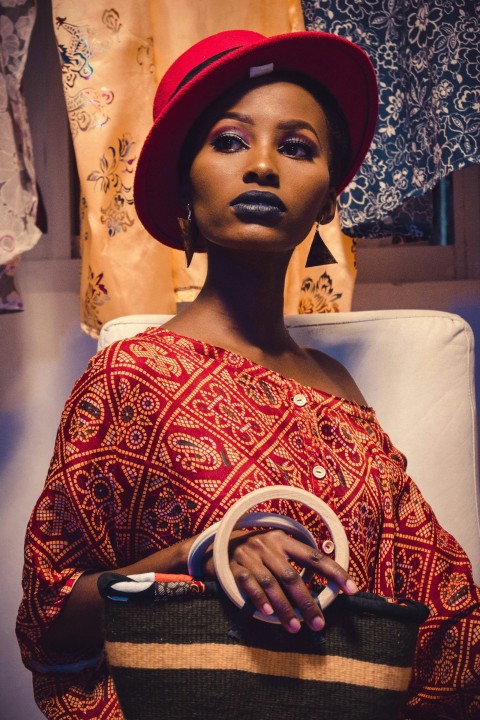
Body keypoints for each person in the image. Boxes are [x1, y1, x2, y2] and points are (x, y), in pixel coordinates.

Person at [16, 29, 479, 720]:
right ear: (184, 182)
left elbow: (440, 612)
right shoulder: (131, 376)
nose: (262, 166)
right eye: (229, 141)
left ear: (327, 200)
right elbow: (51, 621)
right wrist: (198, 555)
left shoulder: (339, 393)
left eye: (297, 147)